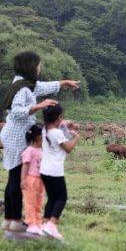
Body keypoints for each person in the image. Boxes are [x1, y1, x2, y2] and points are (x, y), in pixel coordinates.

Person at [0, 51, 79, 231]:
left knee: (13, 177)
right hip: (15, 135)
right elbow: (16, 111)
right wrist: (39, 106)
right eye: (37, 65)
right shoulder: (22, 88)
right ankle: (16, 221)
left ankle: (9, 219)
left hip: (15, 133)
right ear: (30, 66)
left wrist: (64, 83)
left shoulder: (23, 83)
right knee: (16, 178)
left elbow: (42, 87)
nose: (39, 68)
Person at [40, 104, 78, 240]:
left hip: (44, 170)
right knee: (62, 197)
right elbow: (67, 149)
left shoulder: (44, 130)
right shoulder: (57, 133)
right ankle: (52, 225)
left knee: (51, 197)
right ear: (58, 118)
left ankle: (44, 224)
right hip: (55, 170)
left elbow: (62, 124)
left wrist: (66, 123)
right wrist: (75, 138)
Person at [21, 124, 45, 235]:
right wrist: (22, 180)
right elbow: (25, 166)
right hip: (31, 180)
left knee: (39, 202)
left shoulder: (41, 151)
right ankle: (31, 224)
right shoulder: (29, 151)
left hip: (41, 181)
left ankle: (38, 223)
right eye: (43, 136)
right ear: (37, 137)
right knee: (30, 202)